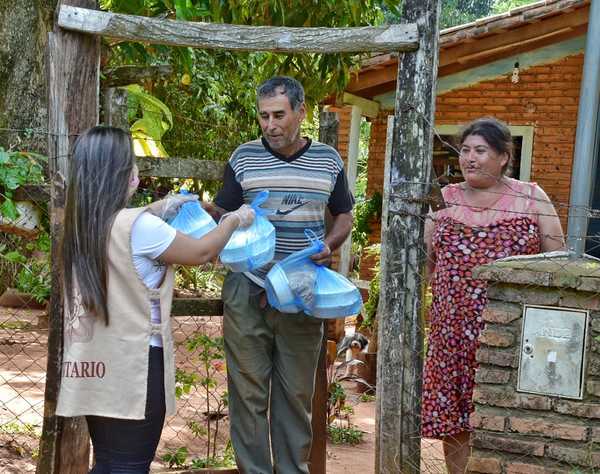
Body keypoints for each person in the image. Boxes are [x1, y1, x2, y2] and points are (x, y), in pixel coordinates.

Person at [55, 126, 254, 474]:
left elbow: (124, 225)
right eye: (131, 163)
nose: (136, 171)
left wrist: (160, 206)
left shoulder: (81, 226)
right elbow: (203, 250)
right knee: (128, 466)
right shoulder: (143, 229)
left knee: (110, 462)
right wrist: (235, 219)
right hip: (135, 365)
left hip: (94, 364)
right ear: (120, 174)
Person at [204, 76, 354, 473]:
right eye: (263, 116)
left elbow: (344, 214)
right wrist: (211, 215)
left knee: (295, 396)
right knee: (247, 393)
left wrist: (330, 244)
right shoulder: (244, 158)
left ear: (301, 112)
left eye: (279, 115)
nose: (270, 125)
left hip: (303, 290)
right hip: (248, 287)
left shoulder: (328, 160)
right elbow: (224, 212)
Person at [421, 117, 565, 474]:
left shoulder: (531, 197)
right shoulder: (444, 200)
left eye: (480, 151)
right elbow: (424, 262)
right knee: (455, 418)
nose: (470, 158)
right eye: (465, 150)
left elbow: (559, 262)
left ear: (503, 157)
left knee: (506, 413)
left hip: (511, 334)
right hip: (450, 334)